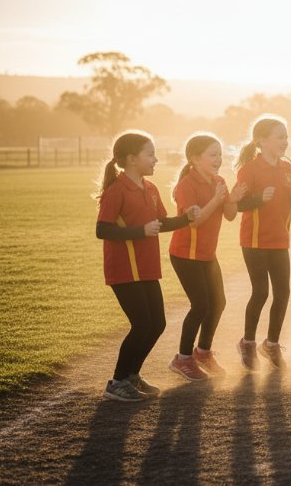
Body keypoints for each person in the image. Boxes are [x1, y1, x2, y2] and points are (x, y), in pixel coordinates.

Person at [95, 131, 198, 401]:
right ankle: (116, 382)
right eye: (150, 154)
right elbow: (102, 229)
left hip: (147, 267)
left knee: (157, 324)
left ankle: (131, 376)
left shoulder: (150, 189)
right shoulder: (116, 190)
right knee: (141, 324)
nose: (156, 159)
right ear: (131, 159)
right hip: (124, 269)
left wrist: (186, 218)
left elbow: (161, 222)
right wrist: (140, 231)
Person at [233, 115, 291, 371]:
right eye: (280, 137)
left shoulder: (289, 168)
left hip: (280, 241)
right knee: (261, 292)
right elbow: (238, 205)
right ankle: (248, 343)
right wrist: (258, 198)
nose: (285, 142)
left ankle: (271, 344)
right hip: (255, 241)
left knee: (283, 292)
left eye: (286, 137)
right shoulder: (249, 169)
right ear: (261, 141)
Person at [168, 133, 246, 381]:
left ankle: (203, 352)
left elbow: (231, 215)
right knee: (200, 305)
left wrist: (232, 199)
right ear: (194, 158)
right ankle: (182, 359)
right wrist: (217, 197)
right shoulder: (186, 186)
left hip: (207, 254)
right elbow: (195, 221)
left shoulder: (219, 180)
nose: (218, 159)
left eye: (220, 154)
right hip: (185, 254)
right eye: (212, 154)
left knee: (218, 302)